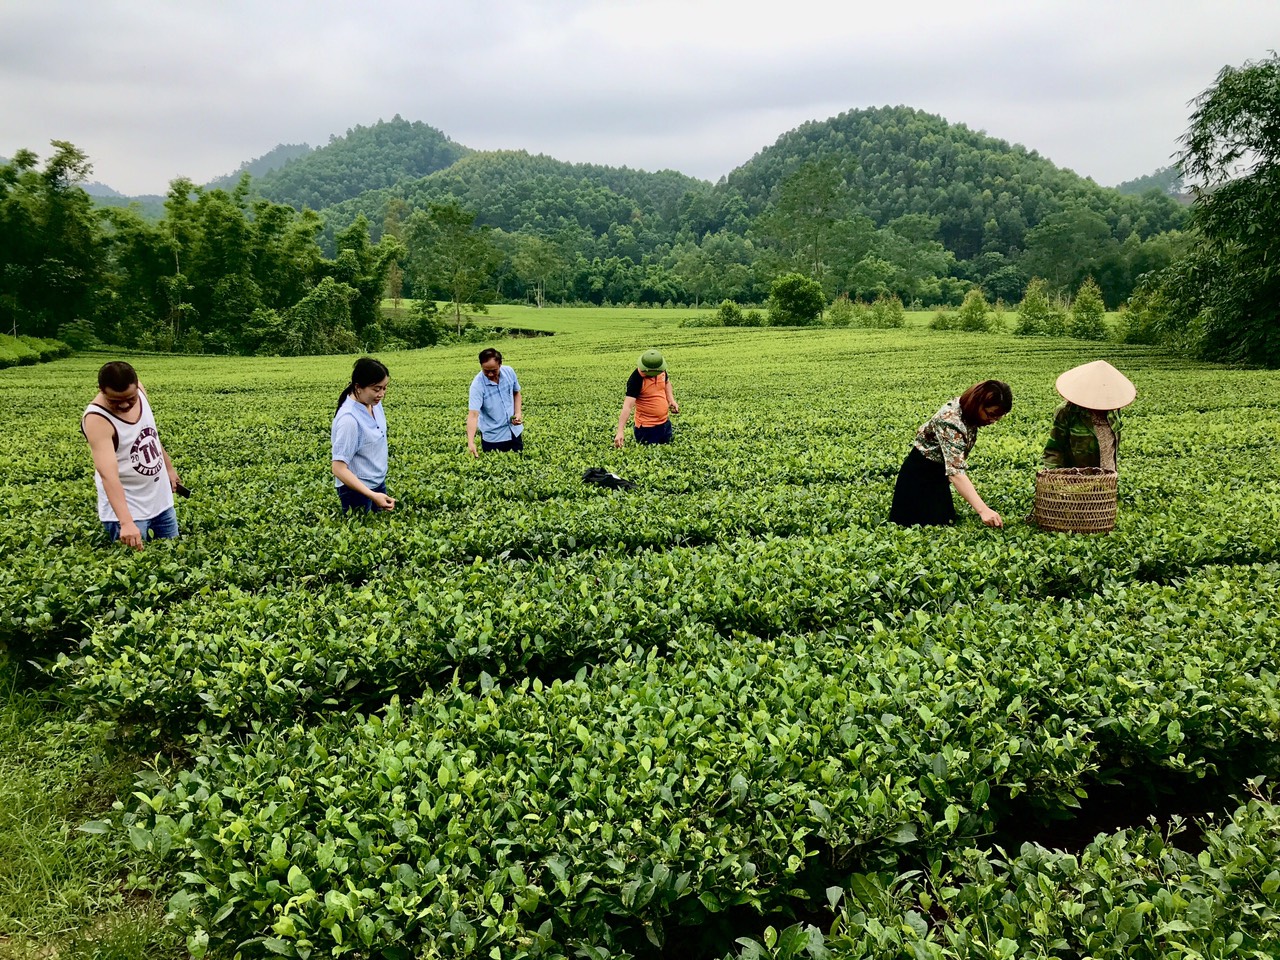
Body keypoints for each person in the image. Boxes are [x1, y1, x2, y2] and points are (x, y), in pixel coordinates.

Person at [81, 361, 181, 550]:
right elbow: (107, 475)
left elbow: (150, 434)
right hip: (129, 512)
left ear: (137, 385)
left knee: (174, 557)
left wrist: (168, 467)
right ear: (101, 390)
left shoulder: (140, 391)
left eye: (130, 398)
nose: (125, 404)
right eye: (115, 401)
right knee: (137, 569)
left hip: (161, 503)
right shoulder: (97, 419)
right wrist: (126, 523)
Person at [889, 380, 1013, 528]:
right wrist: (983, 510)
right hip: (919, 475)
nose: (992, 421)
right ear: (977, 403)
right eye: (990, 414)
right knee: (924, 525)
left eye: (998, 418)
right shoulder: (950, 420)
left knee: (946, 520)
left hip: (939, 474)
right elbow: (955, 472)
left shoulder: (969, 413)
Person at [1043, 360, 1135, 472]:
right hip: (1078, 482)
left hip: (1109, 482)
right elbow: (1053, 451)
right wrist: (1055, 478)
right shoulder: (1068, 412)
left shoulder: (1113, 411)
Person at [332, 357, 395, 512]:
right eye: (376, 389)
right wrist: (372, 495)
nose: (381, 394)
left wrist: (377, 493)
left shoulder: (374, 404)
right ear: (358, 387)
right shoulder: (349, 420)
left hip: (377, 483)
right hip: (356, 491)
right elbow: (338, 468)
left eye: (384, 388)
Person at [614, 349, 679, 447]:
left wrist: (671, 400)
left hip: (665, 423)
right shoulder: (636, 380)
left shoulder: (660, 369)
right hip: (647, 429)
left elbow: (666, 382)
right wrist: (620, 431)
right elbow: (627, 406)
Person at [467, 348, 523, 457]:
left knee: (519, 463)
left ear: (500, 364)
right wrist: (471, 442)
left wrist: (518, 413)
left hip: (514, 432)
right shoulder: (477, 386)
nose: (490, 374)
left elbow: (516, 392)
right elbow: (473, 415)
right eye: (486, 371)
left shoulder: (509, 372)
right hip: (494, 438)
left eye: (494, 370)